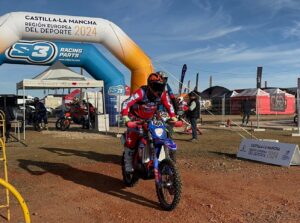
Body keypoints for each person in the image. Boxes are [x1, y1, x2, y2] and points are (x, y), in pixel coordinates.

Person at [121, 72, 177, 172]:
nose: (159, 89)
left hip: (151, 118)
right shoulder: (141, 92)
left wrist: (173, 117)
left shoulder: (163, 93)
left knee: (162, 133)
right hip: (135, 118)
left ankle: (163, 160)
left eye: (161, 86)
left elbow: (169, 105)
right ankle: (128, 164)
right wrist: (125, 118)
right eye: (156, 86)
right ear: (150, 85)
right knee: (131, 140)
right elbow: (126, 103)